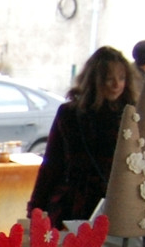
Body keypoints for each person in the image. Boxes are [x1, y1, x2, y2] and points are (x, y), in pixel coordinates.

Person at [27, 46, 138, 228]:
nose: (116, 84)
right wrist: (36, 209)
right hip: (73, 205)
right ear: (95, 79)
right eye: (109, 78)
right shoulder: (70, 113)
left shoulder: (131, 115)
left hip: (115, 206)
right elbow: (52, 163)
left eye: (122, 78)